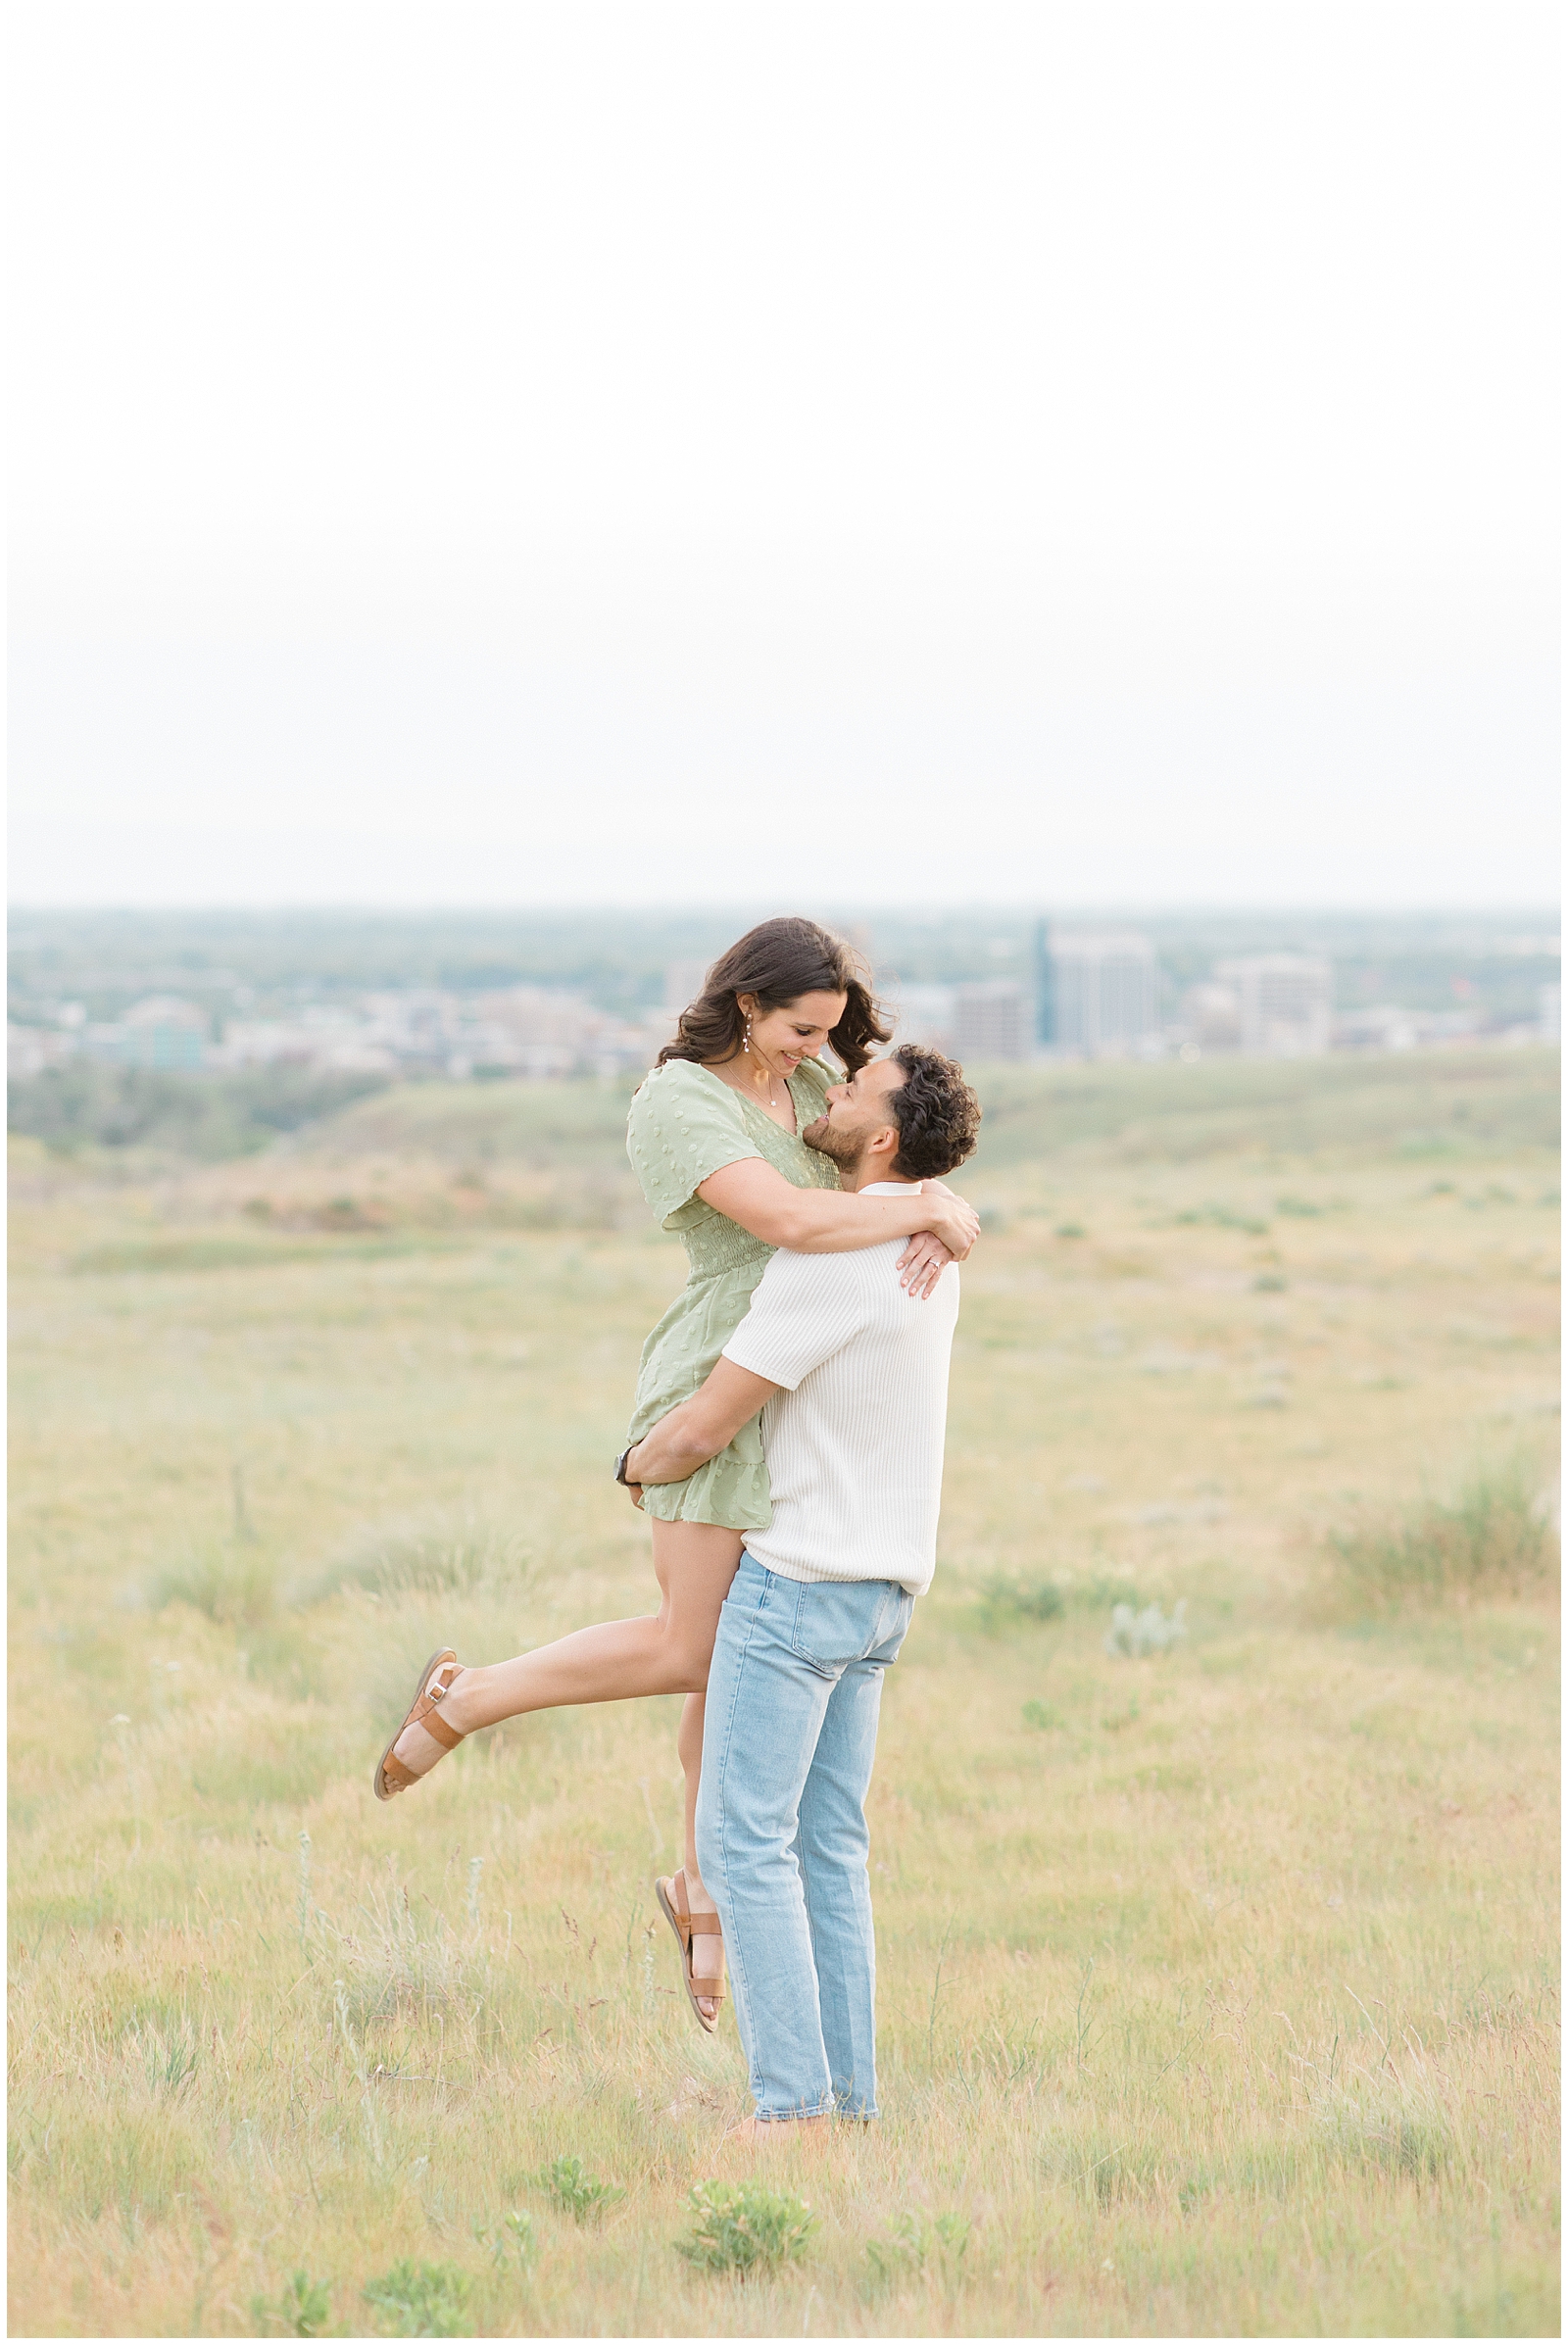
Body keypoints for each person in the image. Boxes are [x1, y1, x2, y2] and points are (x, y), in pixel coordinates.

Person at [372, 918, 980, 2032]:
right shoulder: (678, 1103)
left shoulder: (805, 1094)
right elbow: (798, 1217)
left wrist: (944, 1204)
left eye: (831, 1039)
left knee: (724, 1669)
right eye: (800, 1030)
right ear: (747, 1004)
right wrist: (929, 1206)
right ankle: (472, 1696)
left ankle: (702, 1889)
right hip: (722, 1372)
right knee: (696, 1642)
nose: (816, 1057)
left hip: (797, 1382)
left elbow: (877, 1170)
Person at [619, 1041, 980, 2135]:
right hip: (882, 1593)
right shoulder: (928, 1250)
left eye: (853, 1088)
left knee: (742, 1846)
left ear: (879, 1137)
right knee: (828, 1849)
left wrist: (635, 1466)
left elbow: (703, 1424)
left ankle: (788, 2111)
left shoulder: (829, 1262)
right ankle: (847, 2103)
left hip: (797, 1590)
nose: (828, 1089)